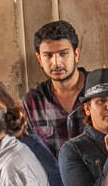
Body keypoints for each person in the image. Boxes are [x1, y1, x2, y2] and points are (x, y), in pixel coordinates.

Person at [22, 19, 88, 156]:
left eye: (63, 54)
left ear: (76, 55)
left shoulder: (98, 91)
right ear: (39, 59)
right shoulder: (32, 102)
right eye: (48, 56)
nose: (56, 63)